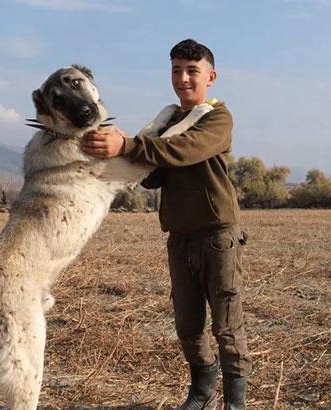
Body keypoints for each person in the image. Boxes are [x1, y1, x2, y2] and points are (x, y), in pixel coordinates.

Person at [82, 38, 252, 409]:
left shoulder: (218, 118)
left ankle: (235, 403)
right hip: (179, 237)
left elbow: (184, 150)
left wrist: (127, 146)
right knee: (188, 325)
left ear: (211, 76)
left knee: (226, 325)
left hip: (216, 235)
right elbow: (156, 174)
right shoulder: (166, 122)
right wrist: (126, 160)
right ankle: (202, 391)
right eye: (177, 70)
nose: (184, 78)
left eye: (192, 71)